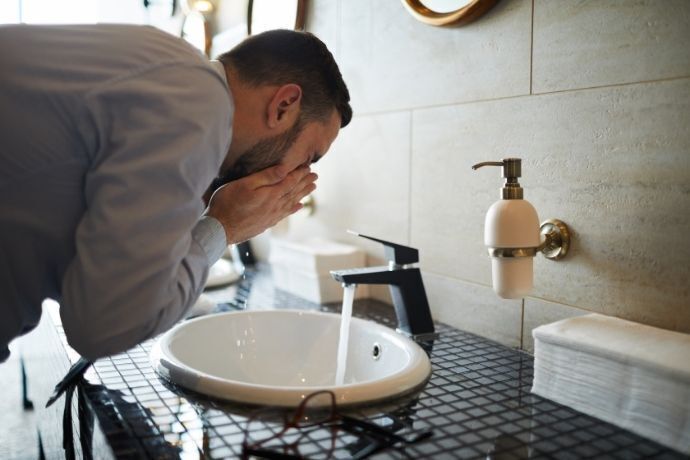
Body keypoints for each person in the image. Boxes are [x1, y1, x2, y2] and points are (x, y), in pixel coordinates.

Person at [0, 24, 352, 362]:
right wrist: (223, 227)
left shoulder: (173, 75)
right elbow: (102, 325)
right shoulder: (197, 103)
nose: (300, 176)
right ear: (283, 105)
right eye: (308, 157)